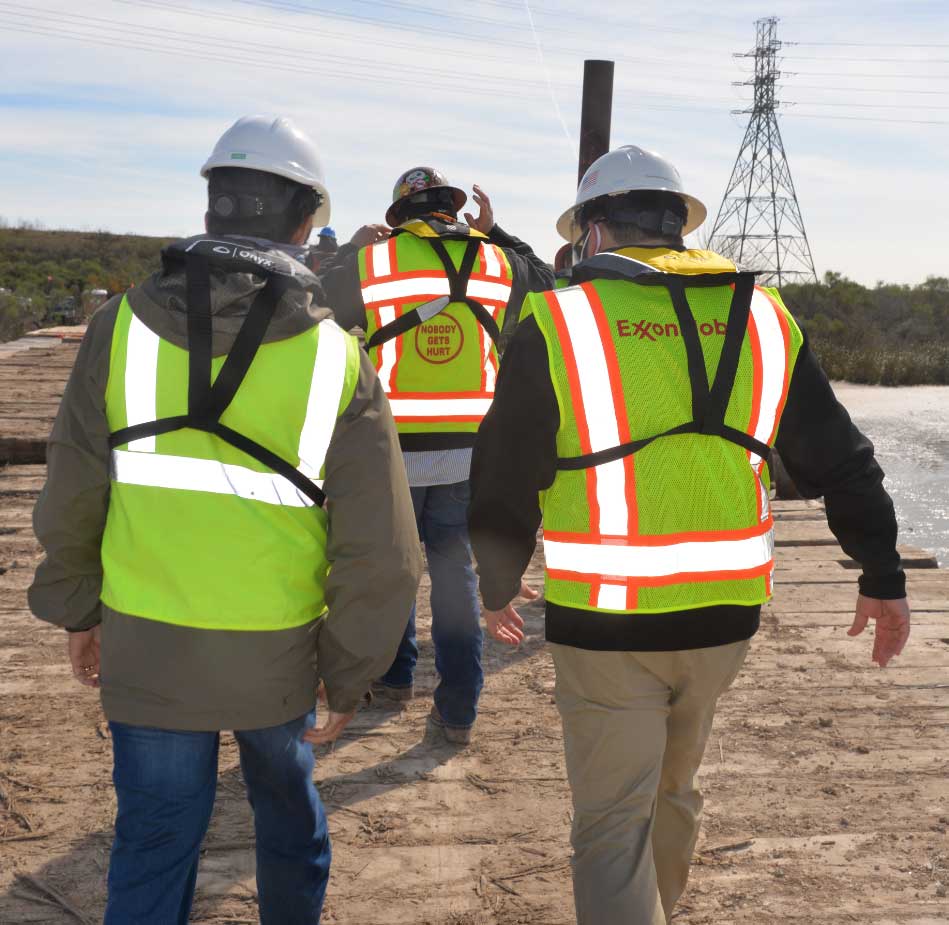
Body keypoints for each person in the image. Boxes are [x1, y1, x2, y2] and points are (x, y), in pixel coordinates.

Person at [468, 144, 911, 924]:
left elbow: (505, 475)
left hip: (606, 623)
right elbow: (840, 457)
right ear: (679, 228)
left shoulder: (561, 319)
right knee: (671, 790)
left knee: (611, 819)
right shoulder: (763, 315)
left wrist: (495, 585)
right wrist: (881, 574)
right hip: (723, 619)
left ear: (593, 234)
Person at [28, 115, 422, 925]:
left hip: (147, 639)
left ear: (211, 207)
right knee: (287, 819)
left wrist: (77, 606)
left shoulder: (118, 326)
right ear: (308, 219)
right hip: (279, 656)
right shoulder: (336, 356)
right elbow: (379, 548)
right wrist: (348, 669)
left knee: (154, 837)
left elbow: (72, 488)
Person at [318, 167, 554, 744]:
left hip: (389, 453)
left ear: (399, 215)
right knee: (456, 582)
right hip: (472, 454)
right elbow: (552, 285)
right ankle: (457, 713)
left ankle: (396, 678)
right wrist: (499, 236)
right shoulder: (498, 262)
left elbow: (306, 305)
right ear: (453, 208)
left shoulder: (374, 262)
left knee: (392, 570)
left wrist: (350, 249)